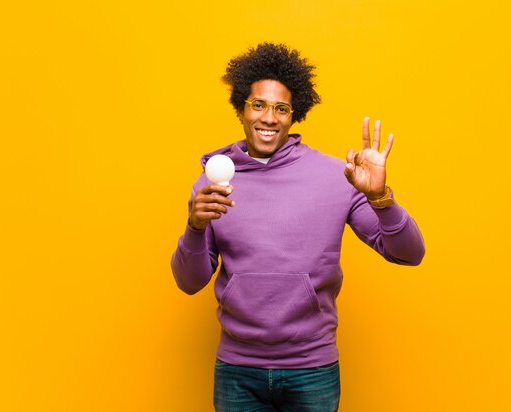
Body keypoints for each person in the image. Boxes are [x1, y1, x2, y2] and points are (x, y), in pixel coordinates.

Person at [171, 42, 425, 412]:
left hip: (312, 368)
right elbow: (188, 282)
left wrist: (380, 197)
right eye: (258, 104)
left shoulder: (338, 177)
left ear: (294, 115)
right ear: (242, 107)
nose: (269, 118)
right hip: (237, 369)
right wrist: (194, 227)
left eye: (281, 108)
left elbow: (410, 254)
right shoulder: (212, 183)